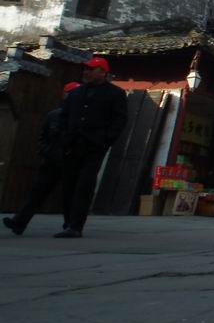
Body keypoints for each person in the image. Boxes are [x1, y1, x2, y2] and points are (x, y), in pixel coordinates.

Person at [52, 57, 127, 238]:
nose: (86, 72)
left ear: (103, 72)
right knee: (69, 184)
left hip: (95, 145)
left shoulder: (115, 94)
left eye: (91, 69)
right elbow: (64, 116)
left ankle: (76, 226)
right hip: (72, 144)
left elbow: (120, 120)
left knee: (84, 184)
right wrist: (64, 137)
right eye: (85, 69)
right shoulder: (76, 93)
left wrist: (106, 139)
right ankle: (68, 222)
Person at [3, 81, 80, 236]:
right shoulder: (53, 115)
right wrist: (46, 151)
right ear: (64, 95)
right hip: (52, 160)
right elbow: (43, 137)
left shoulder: (81, 118)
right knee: (36, 193)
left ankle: (70, 225)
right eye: (69, 93)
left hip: (72, 161)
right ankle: (19, 222)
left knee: (69, 195)